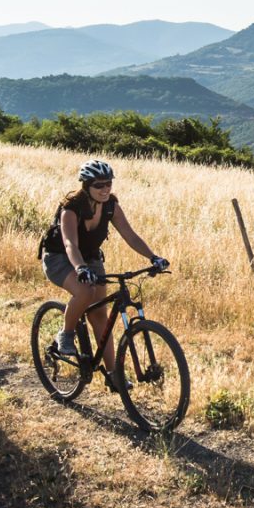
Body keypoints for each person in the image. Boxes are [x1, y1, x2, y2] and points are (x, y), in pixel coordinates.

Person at [41, 159, 168, 383]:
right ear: (86, 186)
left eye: (108, 183)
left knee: (99, 314)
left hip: (90, 258)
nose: (105, 189)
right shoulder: (71, 208)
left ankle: (114, 376)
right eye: (98, 185)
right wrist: (80, 268)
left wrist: (153, 257)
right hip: (59, 258)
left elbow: (130, 235)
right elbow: (70, 244)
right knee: (85, 292)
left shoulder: (111, 206)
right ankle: (66, 335)